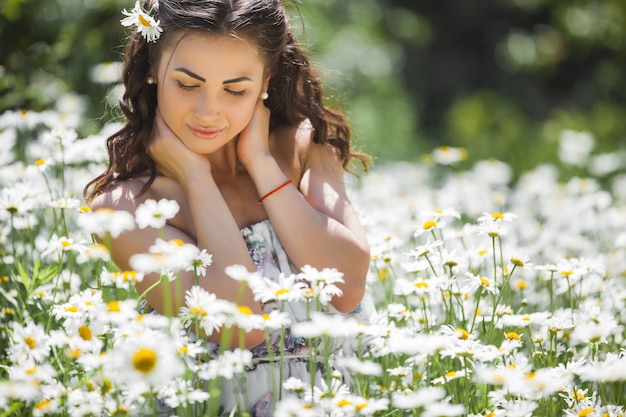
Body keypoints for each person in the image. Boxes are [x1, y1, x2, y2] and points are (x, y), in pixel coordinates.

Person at [84, 0, 373, 415]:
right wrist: (195, 178)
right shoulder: (126, 209)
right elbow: (241, 326)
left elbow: (347, 290)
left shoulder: (305, 148)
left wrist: (260, 162)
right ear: (152, 68)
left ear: (265, 81)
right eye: (186, 84)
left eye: (235, 90)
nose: (208, 112)